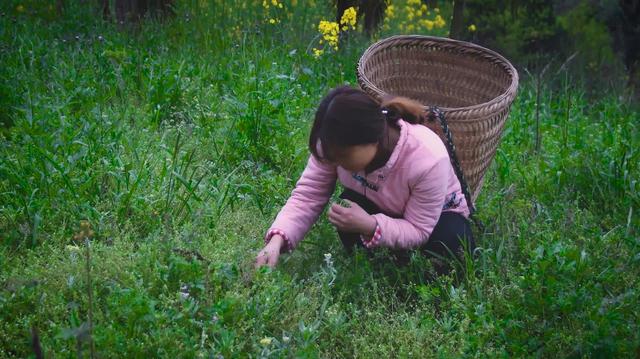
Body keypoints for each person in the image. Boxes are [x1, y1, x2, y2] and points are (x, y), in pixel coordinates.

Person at [255, 85, 475, 272]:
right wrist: (277, 241)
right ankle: (384, 267)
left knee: (452, 244)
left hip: (435, 220)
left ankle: (418, 278)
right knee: (346, 206)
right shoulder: (333, 144)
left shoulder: (427, 157)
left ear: (373, 139)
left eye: (343, 157)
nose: (336, 163)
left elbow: (419, 228)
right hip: (382, 210)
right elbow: (308, 195)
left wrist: (371, 225)